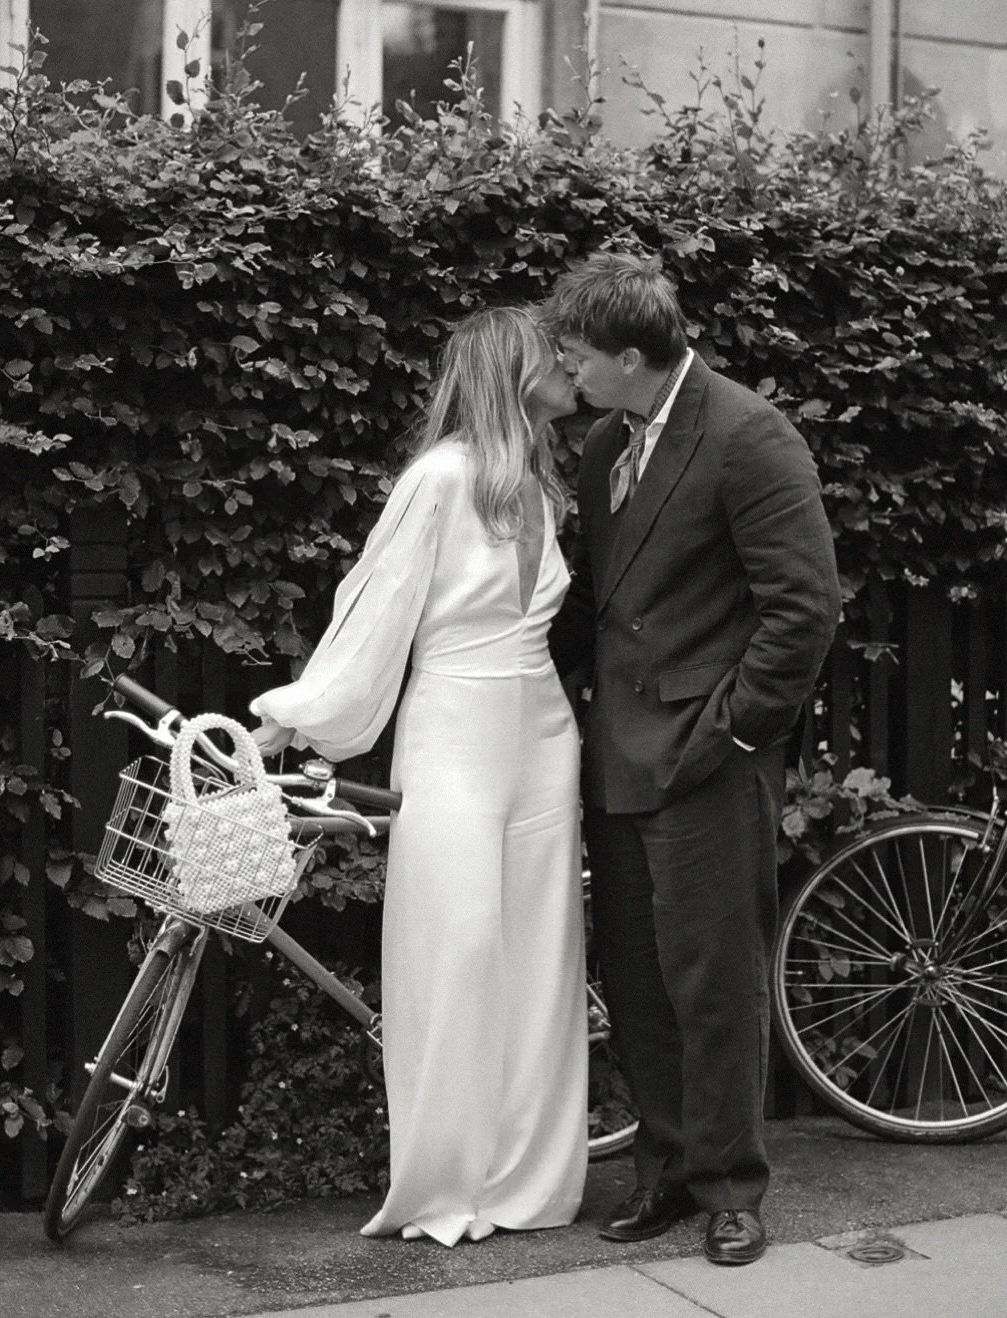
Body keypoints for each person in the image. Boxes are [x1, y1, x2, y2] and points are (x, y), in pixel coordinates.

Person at [249, 306, 588, 1248]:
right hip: (454, 728)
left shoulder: (543, 492)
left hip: (545, 732)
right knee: (461, 943)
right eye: (552, 355)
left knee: (541, 953)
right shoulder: (437, 480)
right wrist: (296, 714)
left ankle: (528, 1181)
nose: (570, 365)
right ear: (514, 373)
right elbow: (378, 606)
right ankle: (446, 1182)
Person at [542, 253, 841, 1266]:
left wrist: (733, 734)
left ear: (632, 357)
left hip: (709, 762)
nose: (565, 372)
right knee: (637, 982)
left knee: (713, 981)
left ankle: (730, 1189)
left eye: (578, 357)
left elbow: (803, 612)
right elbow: (593, 603)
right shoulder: (599, 447)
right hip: (616, 760)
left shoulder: (751, 435)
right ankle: (666, 1174)